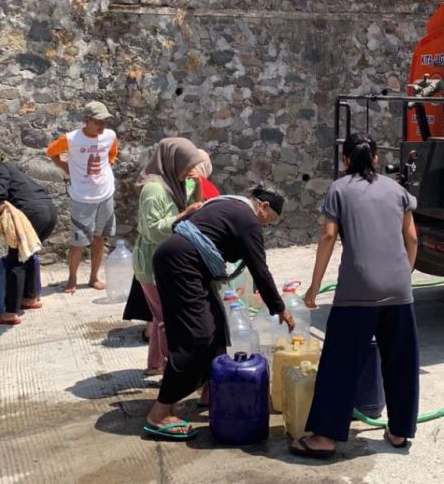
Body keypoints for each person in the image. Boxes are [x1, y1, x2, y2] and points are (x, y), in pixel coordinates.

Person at [290, 133, 419, 459]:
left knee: (339, 363)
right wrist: (404, 275)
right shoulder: (397, 190)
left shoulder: (339, 189)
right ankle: (400, 431)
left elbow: (328, 235)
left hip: (356, 291)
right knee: (401, 362)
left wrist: (314, 287)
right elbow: (412, 238)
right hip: (398, 290)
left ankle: (325, 438)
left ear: (346, 160)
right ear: (375, 158)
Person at [144, 186, 295, 440]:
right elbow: (260, 268)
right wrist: (279, 308)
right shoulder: (248, 219)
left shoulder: (226, 203)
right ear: (264, 207)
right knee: (197, 337)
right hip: (182, 265)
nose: (267, 226)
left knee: (216, 330)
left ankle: (212, 392)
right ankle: (159, 412)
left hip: (181, 262)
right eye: (270, 220)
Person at [132, 138, 211, 375]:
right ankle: (172, 371)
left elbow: (197, 208)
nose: (189, 171)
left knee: (159, 317)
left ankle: (154, 364)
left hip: (166, 260)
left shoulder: (175, 183)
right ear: (173, 162)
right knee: (167, 318)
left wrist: (197, 185)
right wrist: (183, 215)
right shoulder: (154, 189)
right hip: (153, 262)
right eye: (187, 166)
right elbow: (153, 230)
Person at [0, 148, 57, 326]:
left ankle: (10, 313)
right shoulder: (13, 170)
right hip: (49, 212)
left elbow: (1, 181)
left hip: (32, 214)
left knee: (15, 261)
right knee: (28, 255)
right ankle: (30, 298)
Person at [46, 101, 119, 293]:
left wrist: (107, 166)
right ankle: (72, 279)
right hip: (82, 196)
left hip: (105, 193)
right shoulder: (71, 139)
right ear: (87, 120)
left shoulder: (110, 136)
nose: (102, 126)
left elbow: (112, 152)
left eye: (105, 122)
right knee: (78, 241)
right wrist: (66, 167)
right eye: (98, 122)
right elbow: (51, 152)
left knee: (99, 237)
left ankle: (94, 277)